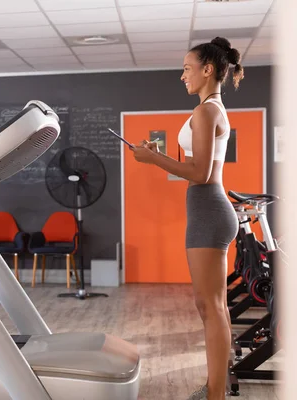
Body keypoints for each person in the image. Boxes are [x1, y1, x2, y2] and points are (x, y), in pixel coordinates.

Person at [131, 37, 244, 400]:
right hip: (206, 209)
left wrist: (152, 160)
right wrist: (159, 154)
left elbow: (200, 174)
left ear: (207, 70)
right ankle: (217, 387)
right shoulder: (210, 109)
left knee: (210, 306)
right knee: (212, 305)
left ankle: (215, 395)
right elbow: (198, 167)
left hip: (208, 209)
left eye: (187, 68)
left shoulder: (207, 111)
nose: (182, 76)